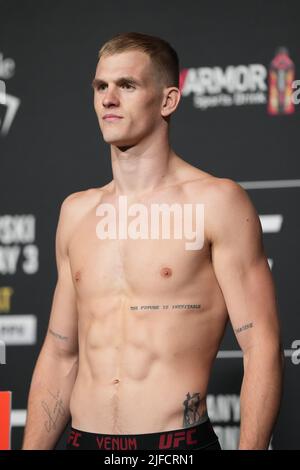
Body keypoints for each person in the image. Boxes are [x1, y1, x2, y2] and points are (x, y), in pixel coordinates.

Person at [22, 32, 284, 451]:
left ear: (168, 100)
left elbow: (261, 345)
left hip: (175, 447)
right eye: (100, 87)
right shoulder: (76, 212)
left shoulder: (217, 202)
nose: (108, 98)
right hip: (82, 442)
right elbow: (60, 354)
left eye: (127, 85)